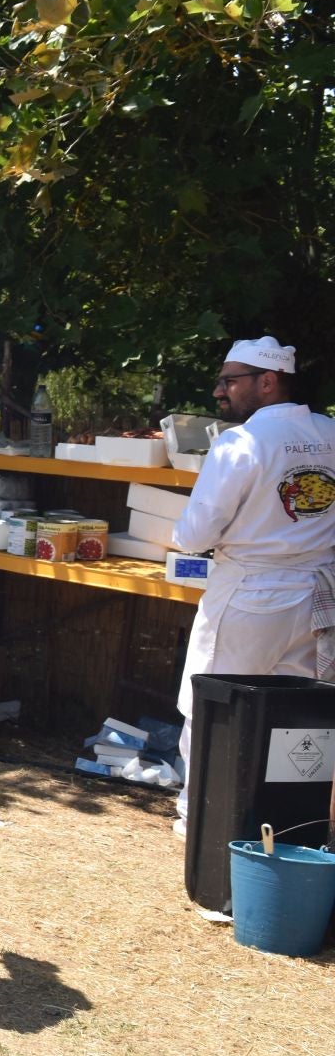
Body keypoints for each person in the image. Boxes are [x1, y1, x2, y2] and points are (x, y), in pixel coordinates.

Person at [171, 337, 335, 837]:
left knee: (216, 703)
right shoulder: (331, 433)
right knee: (298, 715)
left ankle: (201, 815)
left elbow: (195, 534)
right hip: (316, 598)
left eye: (231, 380)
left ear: (268, 381)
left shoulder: (240, 443)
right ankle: (287, 819)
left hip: (251, 595)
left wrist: (182, 536)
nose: (221, 391)